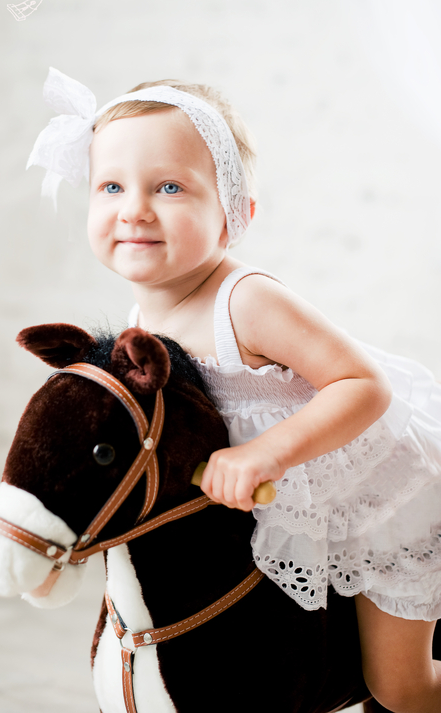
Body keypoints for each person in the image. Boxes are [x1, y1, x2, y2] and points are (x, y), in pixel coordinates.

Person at [28, 67, 441, 712]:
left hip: (378, 504)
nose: (134, 208)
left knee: (399, 690)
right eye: (111, 186)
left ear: (236, 215)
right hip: (267, 511)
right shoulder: (141, 325)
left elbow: (364, 386)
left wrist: (264, 452)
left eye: (169, 187)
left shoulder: (244, 302)